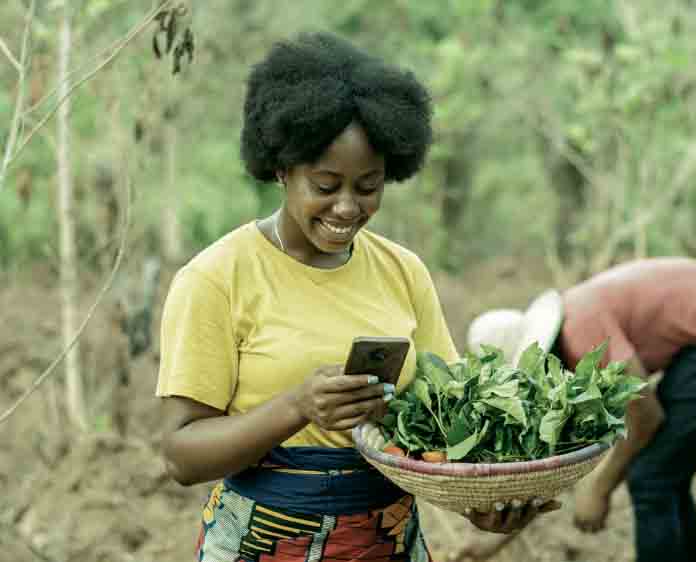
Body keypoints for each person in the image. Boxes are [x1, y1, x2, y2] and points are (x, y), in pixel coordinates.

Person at [156, 32, 552, 562]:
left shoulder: (402, 271)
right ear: (281, 169)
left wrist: (474, 500)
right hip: (263, 544)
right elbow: (182, 455)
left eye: (367, 187)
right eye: (325, 185)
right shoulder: (216, 278)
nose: (346, 208)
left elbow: (445, 418)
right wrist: (297, 405)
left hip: (387, 542)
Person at [456, 257, 696, 562]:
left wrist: (600, 490)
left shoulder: (582, 333)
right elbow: (564, 460)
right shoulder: (569, 343)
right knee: (664, 476)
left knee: (652, 478)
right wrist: (494, 543)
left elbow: (646, 416)